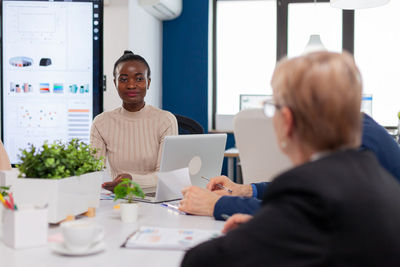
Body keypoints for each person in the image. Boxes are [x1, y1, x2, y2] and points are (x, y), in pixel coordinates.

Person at [181, 51, 400, 266]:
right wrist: (275, 222)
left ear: (287, 120)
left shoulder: (308, 189)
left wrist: (263, 229)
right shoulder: (379, 179)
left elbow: (198, 261)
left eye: (273, 107)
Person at [179, 112, 400, 220]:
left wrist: (216, 206)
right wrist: (246, 190)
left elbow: (301, 210)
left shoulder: (355, 144)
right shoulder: (351, 126)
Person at [90, 51, 178, 190]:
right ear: (115, 83)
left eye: (139, 79)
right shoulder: (101, 122)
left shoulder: (165, 121)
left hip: (156, 198)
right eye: (124, 79)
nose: (131, 85)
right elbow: (94, 173)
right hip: (118, 198)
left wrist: (132, 180)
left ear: (148, 82)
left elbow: (166, 176)